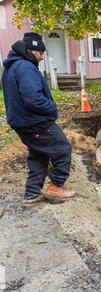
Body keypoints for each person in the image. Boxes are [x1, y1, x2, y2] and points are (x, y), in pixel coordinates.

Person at [1, 32, 75, 206]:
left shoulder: (11, 67)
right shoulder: (25, 67)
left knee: (39, 154)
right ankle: (56, 186)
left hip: (22, 122)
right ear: (30, 50)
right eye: (40, 53)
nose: (42, 57)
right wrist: (52, 107)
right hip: (35, 122)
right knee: (63, 148)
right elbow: (32, 99)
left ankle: (32, 193)